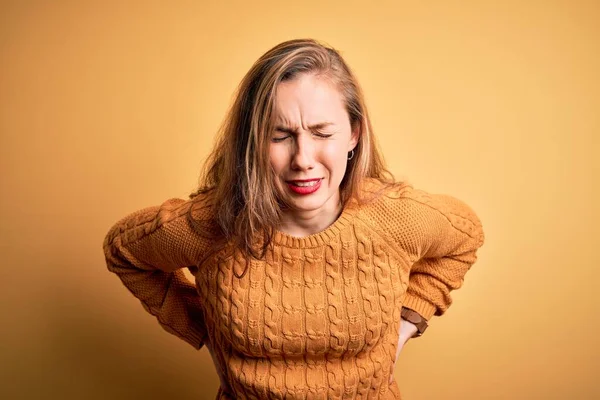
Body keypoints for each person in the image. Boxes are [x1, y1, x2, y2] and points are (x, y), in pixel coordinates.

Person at [102, 38, 485, 399]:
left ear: (353, 134)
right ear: (253, 141)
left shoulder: (394, 218)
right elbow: (124, 250)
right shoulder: (213, 226)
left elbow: (465, 235)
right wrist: (207, 325)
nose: (303, 158)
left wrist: (407, 322)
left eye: (322, 133)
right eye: (280, 135)